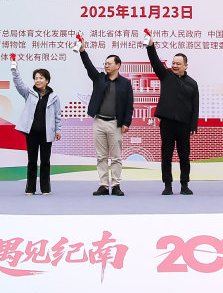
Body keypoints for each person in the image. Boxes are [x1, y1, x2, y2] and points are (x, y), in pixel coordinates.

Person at [145, 32, 199, 195]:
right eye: (173, 63)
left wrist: (193, 125)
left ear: (185, 66)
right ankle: (167, 185)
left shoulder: (192, 83)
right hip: (167, 124)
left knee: (184, 156)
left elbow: (195, 106)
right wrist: (150, 46)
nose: (174, 65)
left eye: (178, 63)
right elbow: (155, 61)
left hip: (184, 125)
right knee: (166, 155)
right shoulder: (166, 75)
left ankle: (184, 185)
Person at [78, 39, 134, 195]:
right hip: (99, 122)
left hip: (116, 123)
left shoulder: (125, 83)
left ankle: (116, 185)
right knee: (101, 156)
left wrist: (126, 123)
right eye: (105, 63)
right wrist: (82, 52)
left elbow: (129, 105)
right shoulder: (99, 78)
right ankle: (103, 185)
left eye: (109, 63)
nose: (106, 65)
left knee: (116, 157)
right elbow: (88, 66)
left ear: (118, 65)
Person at [11, 55, 62, 195]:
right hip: (32, 132)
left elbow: (57, 115)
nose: (38, 80)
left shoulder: (54, 97)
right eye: (36, 78)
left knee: (45, 161)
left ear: (47, 80)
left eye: (41, 78)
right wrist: (14, 70)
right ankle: (30, 188)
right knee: (32, 161)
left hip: (47, 133)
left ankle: (45, 188)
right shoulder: (29, 93)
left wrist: (58, 130)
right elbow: (18, 84)